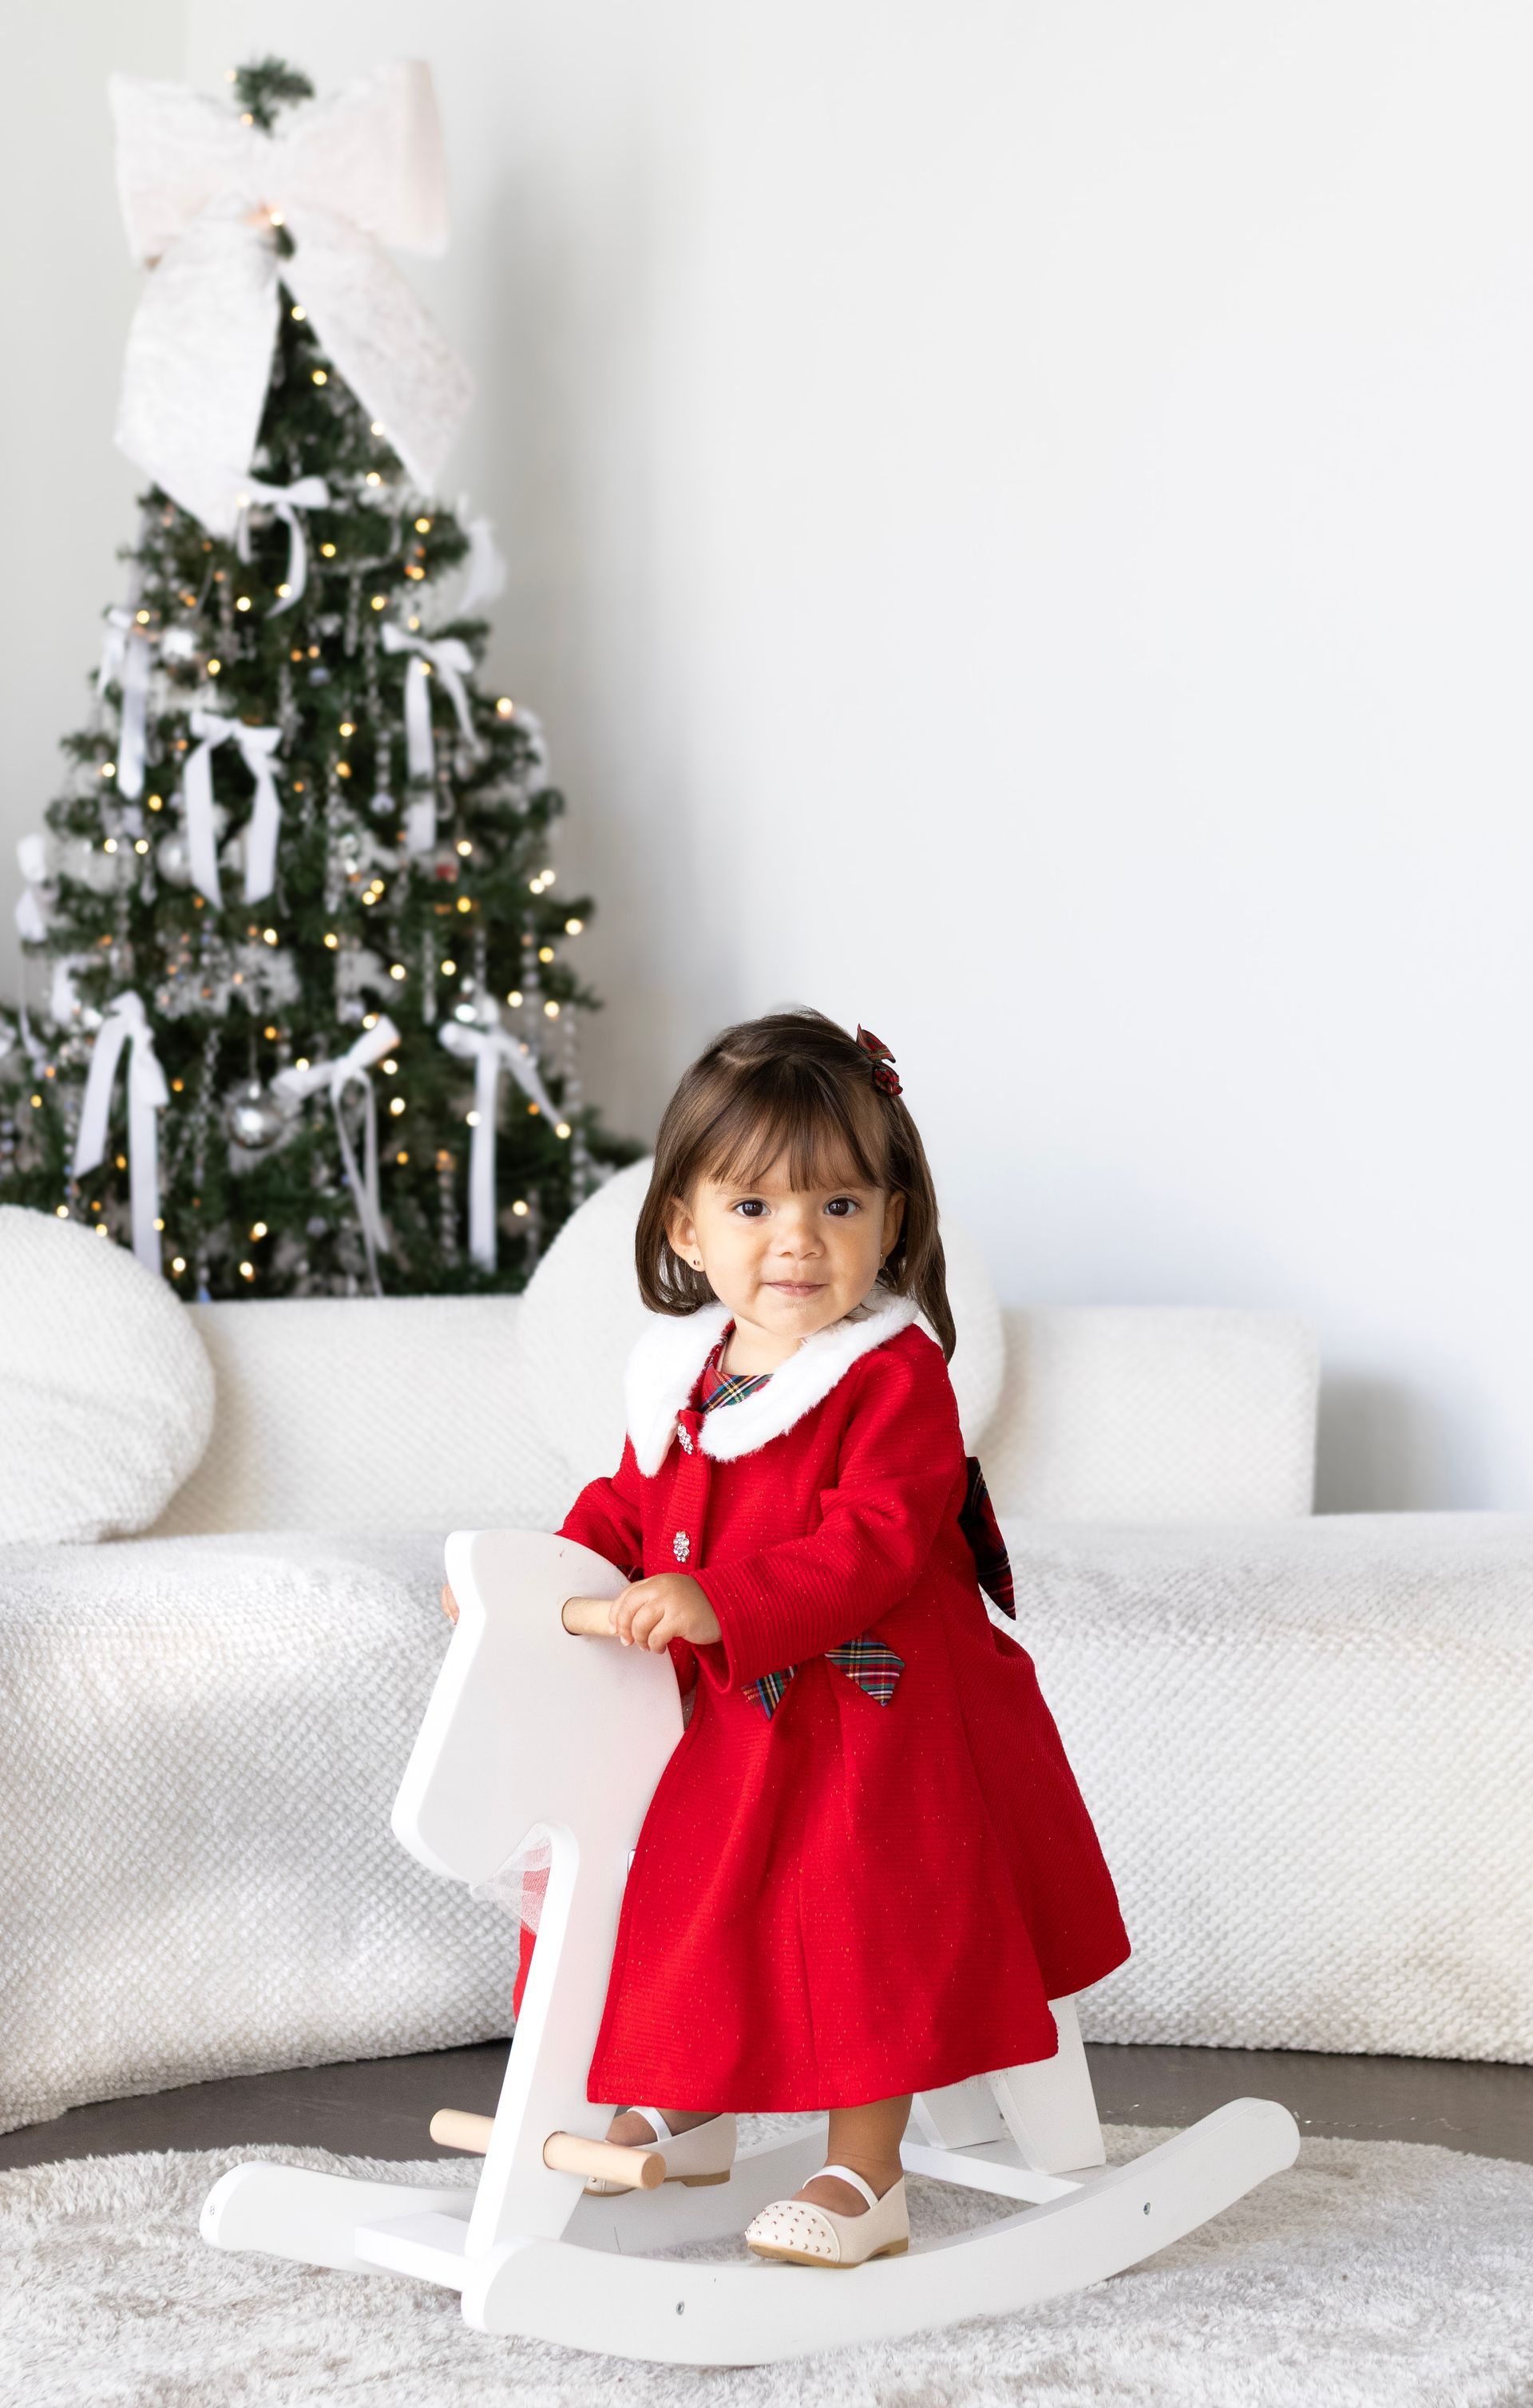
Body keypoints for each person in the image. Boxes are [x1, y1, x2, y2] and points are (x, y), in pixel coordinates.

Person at [445, 1007, 1129, 2267]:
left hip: (878, 1713)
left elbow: (874, 1539)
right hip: (738, 1709)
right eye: (754, 1209)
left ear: (893, 1224)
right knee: (675, 1889)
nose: (798, 1243)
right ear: (686, 1229)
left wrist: (725, 1604)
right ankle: (693, 2107)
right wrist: (538, 1580)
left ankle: (865, 2176)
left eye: (839, 1207)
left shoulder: (891, 1376)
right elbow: (627, 1505)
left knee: (861, 1912)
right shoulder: (685, 1373)